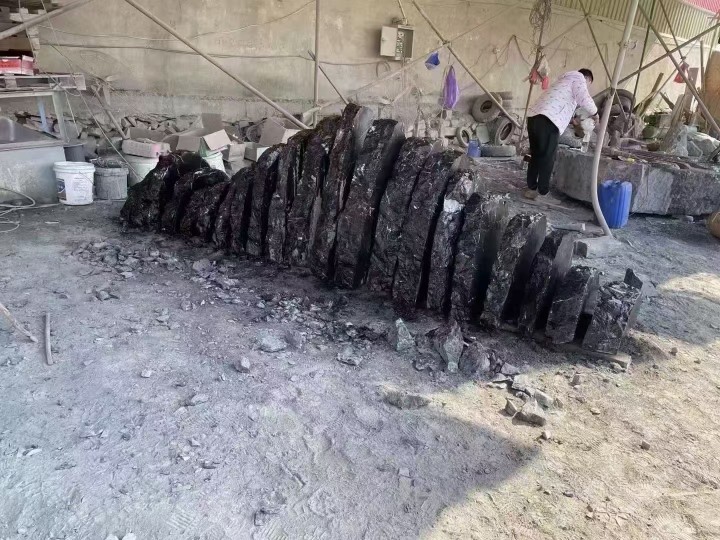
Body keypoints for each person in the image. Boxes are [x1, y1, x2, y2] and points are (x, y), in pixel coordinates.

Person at [524, 68, 598, 200]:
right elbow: (585, 99)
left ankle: (531, 188)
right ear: (587, 79)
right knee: (548, 157)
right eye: (588, 84)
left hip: (534, 117)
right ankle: (542, 192)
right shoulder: (578, 78)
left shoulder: (564, 81)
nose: (587, 87)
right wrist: (596, 113)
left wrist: (571, 120)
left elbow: (558, 103)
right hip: (548, 120)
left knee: (536, 155)